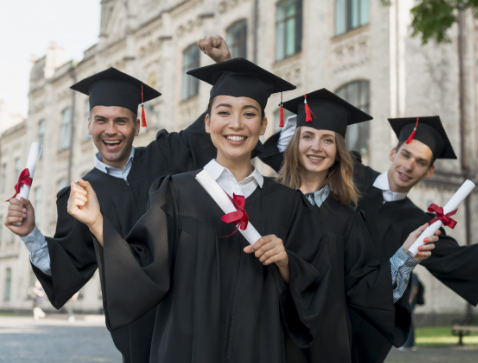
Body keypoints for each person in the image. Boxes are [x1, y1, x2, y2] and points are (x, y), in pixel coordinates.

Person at [67, 58, 332, 363]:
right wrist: (97, 222)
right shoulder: (174, 193)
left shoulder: (288, 204)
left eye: (249, 113)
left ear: (262, 125)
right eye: (223, 112)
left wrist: (287, 264)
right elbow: (141, 273)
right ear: (207, 123)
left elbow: (318, 290)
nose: (235, 124)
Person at [259, 115, 478, 363]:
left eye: (421, 162)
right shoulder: (349, 175)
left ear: (429, 172)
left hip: (355, 329)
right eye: (405, 154)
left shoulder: (418, 225)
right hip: (297, 304)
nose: (408, 166)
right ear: (393, 153)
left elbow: (467, 264)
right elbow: (291, 157)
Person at [4, 67, 221, 362]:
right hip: (138, 326)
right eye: (101, 120)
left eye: (121, 121)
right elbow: (66, 269)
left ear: (137, 124)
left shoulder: (167, 155)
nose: (111, 130)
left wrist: (223, 73)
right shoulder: (80, 196)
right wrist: (31, 234)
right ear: (89, 124)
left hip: (193, 311)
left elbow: (219, 127)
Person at [273, 89, 440, 363]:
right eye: (308, 136)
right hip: (267, 341)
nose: (316, 147)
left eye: (328, 140)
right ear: (295, 143)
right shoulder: (265, 202)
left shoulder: (348, 219)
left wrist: (406, 256)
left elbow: (367, 291)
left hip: (324, 347)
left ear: (338, 152)